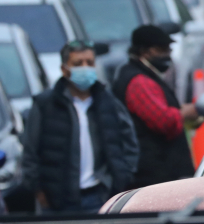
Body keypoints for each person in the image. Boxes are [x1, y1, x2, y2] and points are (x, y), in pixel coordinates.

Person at [21, 40, 138, 212]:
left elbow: (129, 142)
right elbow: (30, 150)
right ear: (64, 69)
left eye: (89, 63)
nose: (85, 68)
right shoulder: (45, 105)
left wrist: (123, 178)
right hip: (58, 201)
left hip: (99, 196)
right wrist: (38, 189)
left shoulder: (108, 102)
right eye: (77, 64)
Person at [112, 25, 197, 188]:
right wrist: (185, 113)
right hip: (154, 177)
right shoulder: (139, 82)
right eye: (161, 50)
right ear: (145, 52)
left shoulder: (145, 76)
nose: (167, 55)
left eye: (168, 50)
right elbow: (162, 121)